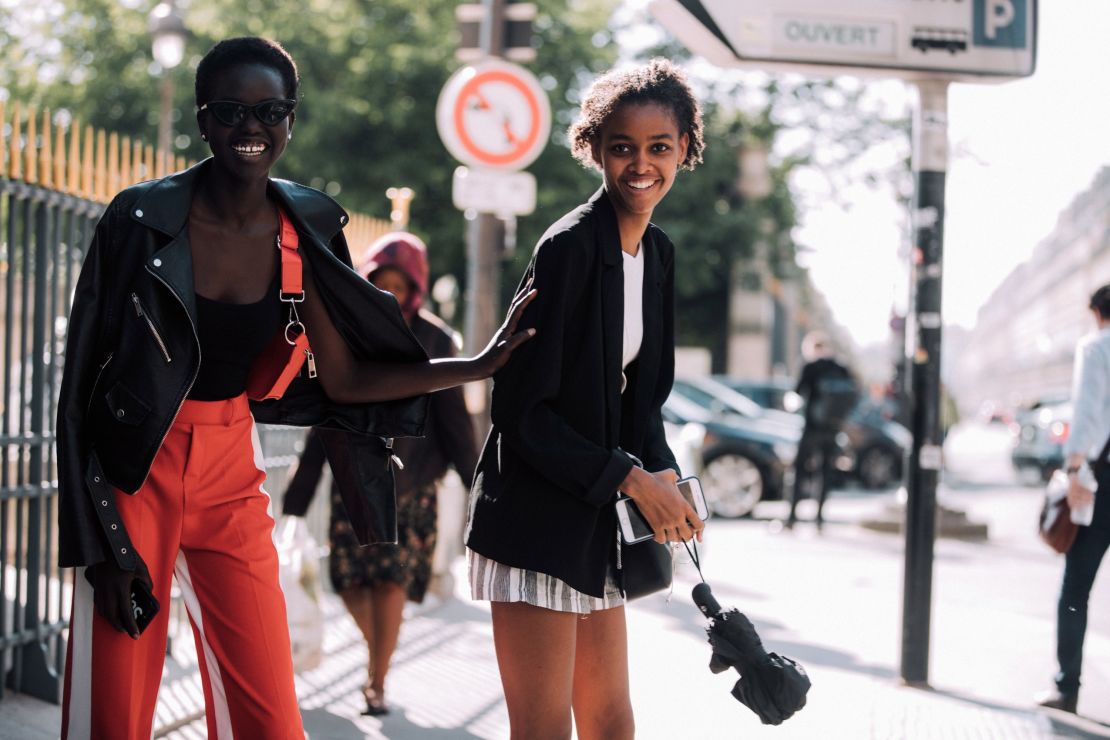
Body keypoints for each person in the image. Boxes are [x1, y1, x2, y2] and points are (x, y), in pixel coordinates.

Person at [55, 37, 532, 739]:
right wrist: (97, 547)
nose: (252, 128)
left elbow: (344, 377)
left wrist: (474, 367)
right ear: (203, 119)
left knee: (272, 717)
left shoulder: (304, 230)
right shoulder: (139, 219)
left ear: (291, 120)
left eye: (271, 111)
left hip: (228, 466)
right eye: (232, 111)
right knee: (117, 709)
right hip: (133, 473)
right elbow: (75, 392)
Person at [464, 59, 705, 740]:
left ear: (684, 149)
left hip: (595, 521)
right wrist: (630, 478)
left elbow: (641, 402)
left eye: (659, 147)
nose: (640, 165)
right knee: (544, 732)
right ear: (594, 148)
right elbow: (519, 412)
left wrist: (664, 481)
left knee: (609, 722)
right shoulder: (567, 248)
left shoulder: (656, 256)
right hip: (535, 522)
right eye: (622, 146)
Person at [282, 231, 478, 716]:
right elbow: (325, 411)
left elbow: (454, 420)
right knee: (348, 581)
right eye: (379, 283)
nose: (389, 294)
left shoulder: (436, 338)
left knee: (390, 583)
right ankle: (379, 656)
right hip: (353, 478)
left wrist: (479, 488)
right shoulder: (347, 331)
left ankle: (377, 681)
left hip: (413, 487)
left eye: (399, 284)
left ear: (417, 287)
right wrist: (297, 496)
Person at [1037, 284, 1110, 714]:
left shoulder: (1097, 346)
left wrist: (1075, 467)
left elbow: (1085, 412)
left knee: (1075, 588)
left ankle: (1067, 689)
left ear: (1098, 313)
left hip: (1100, 481)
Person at [786, 330, 855, 530]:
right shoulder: (841, 367)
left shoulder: (810, 367)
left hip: (811, 427)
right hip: (833, 429)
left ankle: (792, 518)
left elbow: (798, 392)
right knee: (824, 472)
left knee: (799, 470)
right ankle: (819, 519)